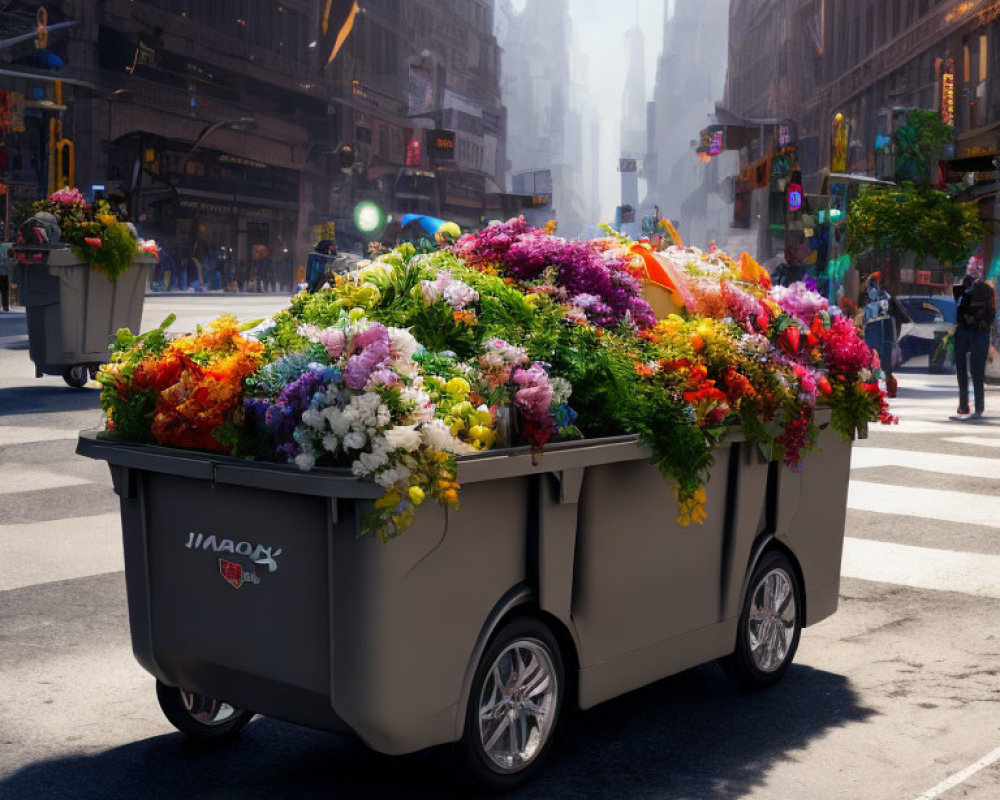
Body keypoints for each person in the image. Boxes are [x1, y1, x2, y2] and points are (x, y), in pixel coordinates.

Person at [952, 256, 997, 419]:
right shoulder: (960, 287)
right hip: (962, 331)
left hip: (979, 332)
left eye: (976, 267)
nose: (972, 269)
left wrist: (980, 321)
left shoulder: (987, 289)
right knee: (961, 371)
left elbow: (991, 312)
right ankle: (963, 405)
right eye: (970, 266)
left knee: (977, 371)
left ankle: (979, 407)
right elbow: (957, 308)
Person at [0, 241, 11, 311]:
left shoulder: (6, 247)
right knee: (5, 291)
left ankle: (6, 306)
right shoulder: (6, 247)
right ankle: (5, 307)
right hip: (4, 272)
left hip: (4, 272)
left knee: (5, 291)